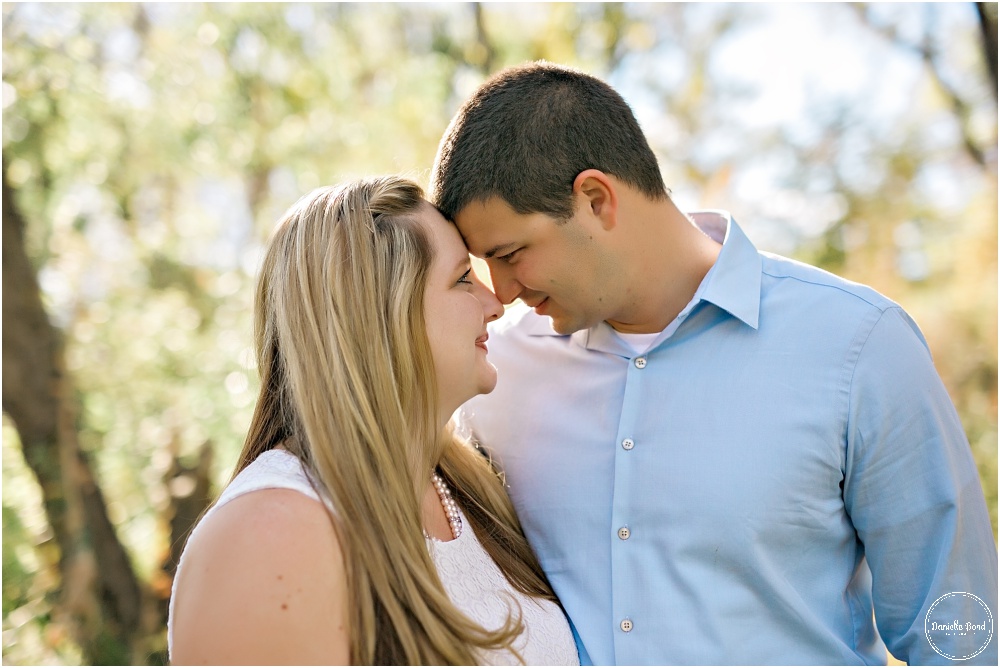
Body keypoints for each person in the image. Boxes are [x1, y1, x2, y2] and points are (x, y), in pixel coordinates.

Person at [431, 61, 999, 665]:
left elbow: (960, 634)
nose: (502, 292)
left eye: (511, 253)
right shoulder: (495, 376)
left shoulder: (860, 347)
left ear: (596, 199)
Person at [167, 176, 580, 665]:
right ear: (384, 316)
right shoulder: (269, 537)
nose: (495, 305)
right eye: (462, 280)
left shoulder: (473, 491)